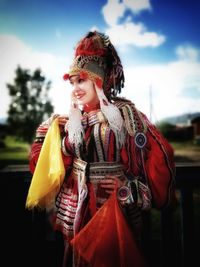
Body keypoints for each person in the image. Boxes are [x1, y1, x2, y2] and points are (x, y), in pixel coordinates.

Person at [26, 31, 176, 267]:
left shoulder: (128, 117)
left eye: (82, 80)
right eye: (72, 81)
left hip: (115, 211)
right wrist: (63, 142)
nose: (75, 88)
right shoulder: (63, 123)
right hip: (75, 213)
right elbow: (40, 166)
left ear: (100, 80)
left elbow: (160, 159)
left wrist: (129, 188)